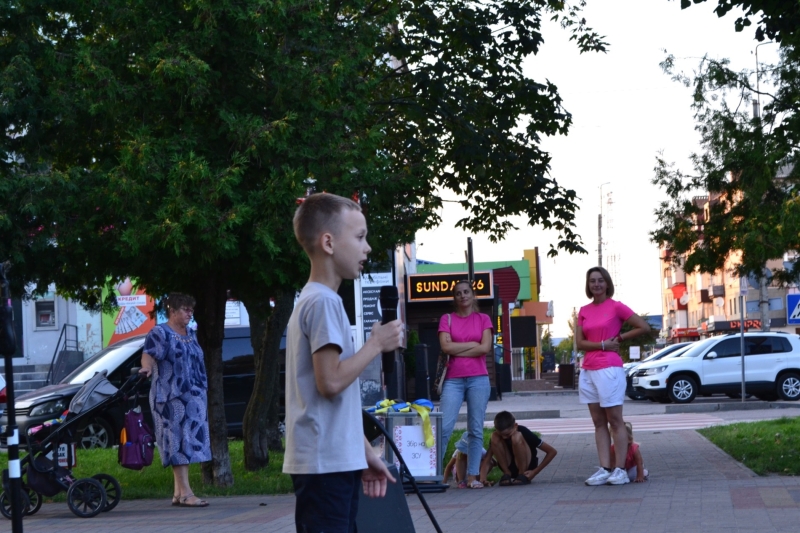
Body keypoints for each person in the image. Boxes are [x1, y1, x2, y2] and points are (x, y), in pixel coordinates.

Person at [283, 193, 404, 533]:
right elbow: (331, 382)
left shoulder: (316, 300)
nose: (367, 248)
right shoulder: (323, 302)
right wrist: (375, 344)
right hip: (325, 467)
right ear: (328, 242)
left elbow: (337, 404)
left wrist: (365, 454)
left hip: (331, 461)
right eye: (360, 237)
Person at [576, 266, 651, 486]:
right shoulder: (583, 310)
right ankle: (605, 468)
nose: (596, 285)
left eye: (600, 281)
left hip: (609, 369)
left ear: (607, 283)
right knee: (598, 422)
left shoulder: (616, 307)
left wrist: (619, 339)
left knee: (615, 421)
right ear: (588, 285)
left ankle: (619, 469)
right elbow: (580, 343)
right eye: (592, 281)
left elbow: (643, 326)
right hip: (588, 369)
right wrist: (601, 344)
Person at [139, 292, 211, 508]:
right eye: (185, 309)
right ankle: (187, 494)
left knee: (188, 443)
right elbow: (149, 354)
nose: (190, 313)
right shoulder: (160, 332)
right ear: (172, 310)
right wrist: (146, 368)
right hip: (170, 398)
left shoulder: (190, 333)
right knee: (177, 444)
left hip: (194, 398)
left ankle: (179, 493)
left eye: (192, 309)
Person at [438, 280, 493, 489]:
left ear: (473, 295)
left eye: (466, 292)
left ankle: (472, 476)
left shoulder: (483, 319)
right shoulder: (447, 319)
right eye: (459, 293)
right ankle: (432, 473)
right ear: (455, 297)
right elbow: (445, 347)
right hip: (453, 379)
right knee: (443, 427)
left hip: (478, 378)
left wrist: (457, 348)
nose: (463, 296)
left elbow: (485, 348)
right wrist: (472, 345)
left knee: (476, 429)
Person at [485, 411, 557, 486]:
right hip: (509, 466)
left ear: (515, 426)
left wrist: (535, 472)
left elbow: (552, 452)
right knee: (494, 436)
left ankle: (521, 474)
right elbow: (487, 459)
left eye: (507, 434)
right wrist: (483, 479)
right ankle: (507, 473)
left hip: (527, 467)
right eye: (501, 435)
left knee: (516, 436)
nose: (504, 437)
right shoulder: (497, 435)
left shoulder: (524, 431)